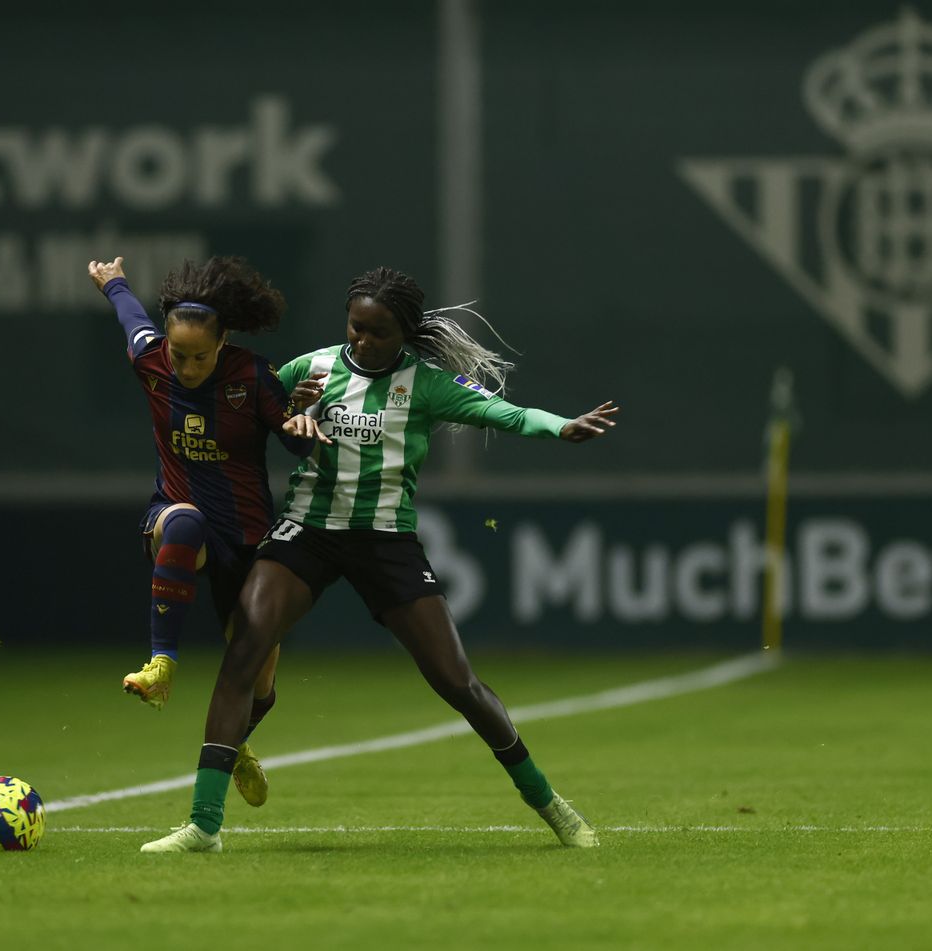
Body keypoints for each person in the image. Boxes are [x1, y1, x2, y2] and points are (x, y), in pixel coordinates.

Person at [141, 266, 619, 853]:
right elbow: (249, 411)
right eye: (355, 327)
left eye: (377, 332)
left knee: (457, 682)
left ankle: (553, 808)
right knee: (245, 648)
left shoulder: (426, 384)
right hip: (305, 533)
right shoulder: (308, 369)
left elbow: (510, 415)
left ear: (404, 332)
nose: (362, 340)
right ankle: (204, 826)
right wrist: (285, 410)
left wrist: (562, 427)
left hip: (387, 542)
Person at [87, 254, 312, 807]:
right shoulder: (151, 359)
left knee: (258, 682)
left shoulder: (253, 376)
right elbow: (129, 316)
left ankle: (235, 747)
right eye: (178, 353)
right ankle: (162, 662)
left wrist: (301, 423)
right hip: (175, 515)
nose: (185, 367)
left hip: (246, 537)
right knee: (185, 519)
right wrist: (113, 281)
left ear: (223, 341)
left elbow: (297, 441)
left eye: (199, 356)